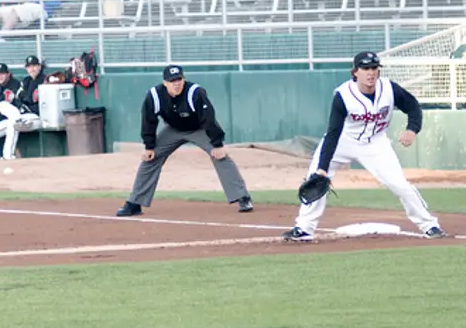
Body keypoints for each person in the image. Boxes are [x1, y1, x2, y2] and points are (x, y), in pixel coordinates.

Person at [283, 51, 447, 242]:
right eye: (365, 68)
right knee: (317, 179)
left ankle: (429, 225)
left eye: (374, 68)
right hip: (343, 141)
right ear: (355, 72)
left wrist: (412, 129)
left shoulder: (389, 89)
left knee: (400, 185)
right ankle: (304, 228)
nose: (370, 73)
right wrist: (322, 168)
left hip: (375, 143)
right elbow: (333, 132)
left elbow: (413, 107)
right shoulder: (343, 95)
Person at [116, 65, 253, 217]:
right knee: (151, 158)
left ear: (183, 79)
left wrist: (217, 143)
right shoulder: (155, 95)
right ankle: (135, 203)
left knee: (220, 156)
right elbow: (148, 121)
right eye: (172, 80)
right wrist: (148, 146)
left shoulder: (195, 92)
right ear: (165, 83)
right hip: (173, 130)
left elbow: (209, 119)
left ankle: (242, 197)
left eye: (179, 79)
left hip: (199, 128)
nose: (176, 83)